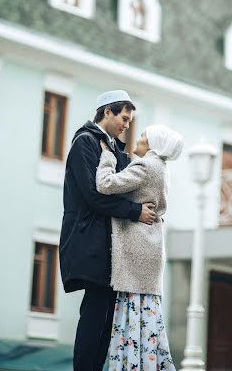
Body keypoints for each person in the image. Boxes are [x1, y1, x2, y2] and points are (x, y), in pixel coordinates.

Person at [59, 90, 157, 371]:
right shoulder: (85, 143)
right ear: (107, 112)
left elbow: (128, 185)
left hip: (108, 245)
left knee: (105, 318)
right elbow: (94, 194)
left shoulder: (113, 148)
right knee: (94, 315)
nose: (127, 124)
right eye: (124, 118)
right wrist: (136, 212)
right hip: (90, 242)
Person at [96, 124, 183, 371]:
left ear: (152, 145)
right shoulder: (162, 168)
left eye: (144, 135)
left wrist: (107, 156)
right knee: (145, 319)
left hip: (137, 249)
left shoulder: (146, 166)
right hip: (151, 248)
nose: (139, 137)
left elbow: (105, 184)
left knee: (131, 318)